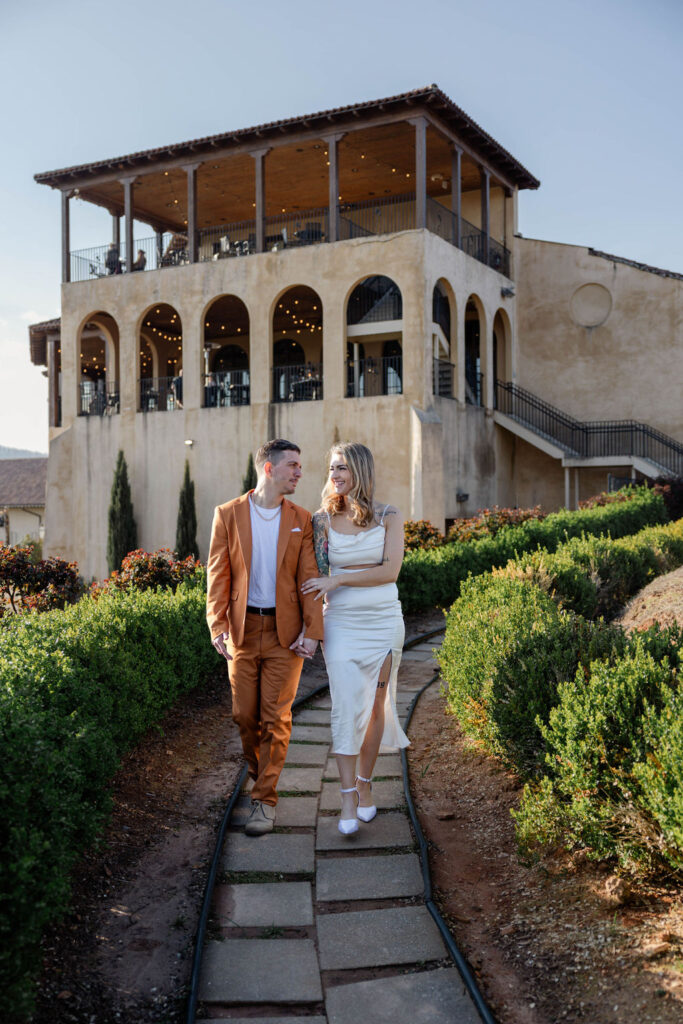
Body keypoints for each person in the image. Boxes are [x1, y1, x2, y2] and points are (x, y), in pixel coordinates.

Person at [207, 439, 323, 836]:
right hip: (242, 630)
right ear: (269, 469)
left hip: (284, 634)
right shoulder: (228, 514)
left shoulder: (301, 519)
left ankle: (264, 800)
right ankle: (262, 779)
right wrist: (217, 624)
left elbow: (309, 579)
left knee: (276, 719)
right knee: (244, 716)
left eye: (300, 465)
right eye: (292, 464)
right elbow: (218, 573)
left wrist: (313, 632)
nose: (299, 472)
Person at [303, 442, 409, 835]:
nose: (335, 475)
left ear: (360, 471)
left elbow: (390, 572)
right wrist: (310, 629)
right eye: (332, 468)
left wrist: (341, 578)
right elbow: (315, 577)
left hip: (383, 621)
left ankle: (366, 785)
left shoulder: (389, 516)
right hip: (342, 623)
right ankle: (346, 795)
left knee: (376, 707)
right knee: (347, 705)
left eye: (343, 468)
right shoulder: (321, 521)